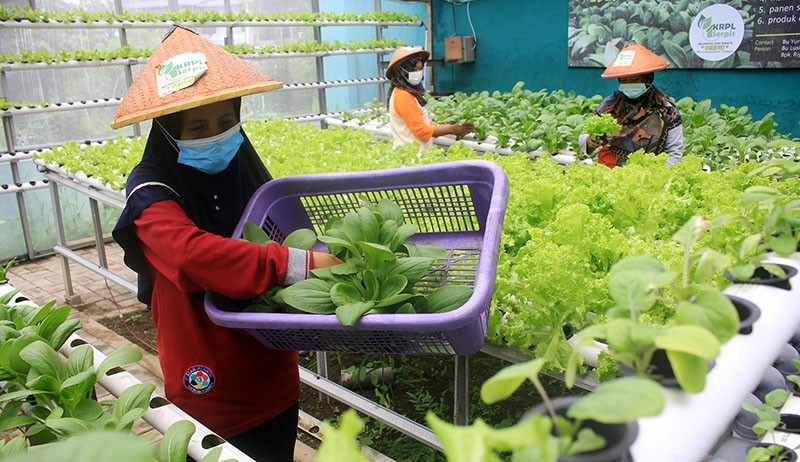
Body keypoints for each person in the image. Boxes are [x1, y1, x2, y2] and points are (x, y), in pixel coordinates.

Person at [110, 25, 341, 462]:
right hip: (207, 367)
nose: (215, 135)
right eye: (197, 127)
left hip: (270, 363)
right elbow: (190, 255)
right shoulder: (150, 188)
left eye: (226, 122)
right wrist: (304, 265)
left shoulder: (244, 167)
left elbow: (287, 223)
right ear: (167, 130)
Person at [578, 43, 684, 168]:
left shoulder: (666, 110)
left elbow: (674, 153)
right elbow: (584, 138)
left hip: (649, 173)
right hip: (610, 170)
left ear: (647, 78)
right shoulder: (611, 104)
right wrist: (590, 141)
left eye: (634, 80)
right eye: (624, 80)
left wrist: (656, 177)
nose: (628, 84)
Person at [386, 46, 475, 148]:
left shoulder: (406, 92)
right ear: (401, 71)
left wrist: (445, 127)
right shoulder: (403, 95)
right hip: (411, 158)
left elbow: (419, 121)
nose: (418, 73)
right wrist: (453, 129)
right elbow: (421, 131)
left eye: (420, 69)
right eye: (414, 70)